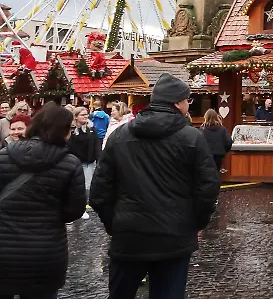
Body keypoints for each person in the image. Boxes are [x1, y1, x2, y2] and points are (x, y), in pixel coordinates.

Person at [90, 73, 220, 298]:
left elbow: (100, 191)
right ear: (177, 103)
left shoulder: (119, 136)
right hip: (174, 236)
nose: (189, 105)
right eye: (187, 100)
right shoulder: (192, 138)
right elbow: (207, 187)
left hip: (129, 236)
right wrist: (194, 223)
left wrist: (116, 223)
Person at [0, 103, 86, 299]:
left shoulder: (3, 157)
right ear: (63, 131)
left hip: (4, 249)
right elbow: (74, 210)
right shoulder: (70, 164)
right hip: (45, 252)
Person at [67, 106, 100, 216]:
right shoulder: (71, 130)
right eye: (82, 115)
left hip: (88, 162)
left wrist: (98, 159)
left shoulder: (91, 128)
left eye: (86, 114)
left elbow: (96, 144)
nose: (85, 116)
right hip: (74, 162)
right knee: (75, 185)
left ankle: (83, 207)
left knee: (87, 186)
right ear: (76, 117)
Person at [200, 109, 233, 174]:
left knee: (207, 174)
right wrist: (224, 151)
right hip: (219, 156)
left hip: (206, 156)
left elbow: (199, 143)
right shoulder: (222, 129)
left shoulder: (202, 130)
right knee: (216, 172)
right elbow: (229, 142)